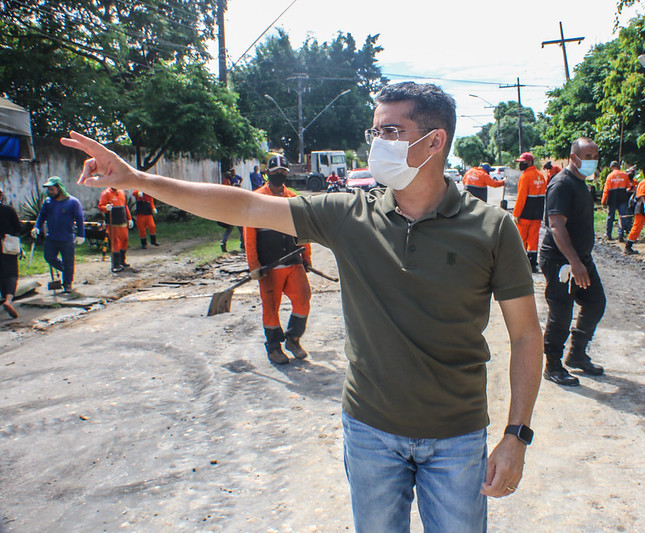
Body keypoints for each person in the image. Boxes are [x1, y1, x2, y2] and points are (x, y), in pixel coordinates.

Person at [61, 81, 543, 533]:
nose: (378, 142)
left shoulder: (491, 228)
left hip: (456, 439)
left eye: (391, 131)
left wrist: (516, 435)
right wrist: (137, 178)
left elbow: (525, 335)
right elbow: (243, 207)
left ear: (435, 142)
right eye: (375, 131)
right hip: (370, 431)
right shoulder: (349, 215)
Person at [539, 137, 607, 387]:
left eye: (595, 156)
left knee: (595, 303)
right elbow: (556, 226)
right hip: (561, 263)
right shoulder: (561, 184)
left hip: (581, 259)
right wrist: (574, 262)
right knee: (561, 313)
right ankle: (552, 365)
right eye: (587, 156)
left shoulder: (583, 185)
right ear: (573, 157)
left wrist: (582, 260)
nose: (593, 161)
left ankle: (577, 354)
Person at [244, 155, 313, 365]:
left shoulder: (293, 198)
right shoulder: (256, 199)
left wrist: (306, 257)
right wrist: (254, 265)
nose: (279, 176)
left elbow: (303, 231)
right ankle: (274, 348)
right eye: (275, 173)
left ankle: (293, 339)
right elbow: (249, 235)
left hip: (293, 262)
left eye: (283, 173)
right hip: (269, 266)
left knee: (303, 299)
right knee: (271, 308)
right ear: (268, 174)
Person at [32, 177, 86, 292]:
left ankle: (67, 284)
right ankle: (66, 270)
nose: (50, 192)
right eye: (49, 190)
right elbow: (42, 216)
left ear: (59, 188)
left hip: (67, 238)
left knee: (68, 261)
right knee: (49, 257)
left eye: (52, 189)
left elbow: (80, 219)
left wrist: (81, 234)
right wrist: (36, 227)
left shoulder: (73, 202)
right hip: (52, 237)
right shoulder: (48, 202)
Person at [512, 152, 547, 272]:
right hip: (537, 215)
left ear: (530, 162)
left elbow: (521, 197)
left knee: (521, 239)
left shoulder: (525, 176)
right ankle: (532, 263)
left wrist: (516, 214)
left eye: (522, 163)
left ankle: (520, 263)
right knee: (533, 240)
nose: (520, 165)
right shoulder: (541, 176)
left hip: (525, 215)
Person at [98, 186, 133, 272]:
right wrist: (106, 208)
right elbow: (100, 206)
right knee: (115, 242)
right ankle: (115, 264)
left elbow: (125, 206)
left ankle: (122, 260)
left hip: (123, 221)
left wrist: (129, 219)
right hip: (113, 223)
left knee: (125, 240)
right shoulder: (106, 193)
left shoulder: (121, 192)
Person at [0, 185, 22, 318]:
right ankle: (8, 301)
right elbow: (18, 227)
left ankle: (4, 299)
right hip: (7, 245)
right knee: (12, 274)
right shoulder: (8, 210)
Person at [601, 161, 633, 241]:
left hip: (612, 199)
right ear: (618, 166)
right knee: (622, 217)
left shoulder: (610, 176)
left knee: (610, 217)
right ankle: (620, 235)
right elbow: (629, 188)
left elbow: (606, 190)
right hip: (622, 199)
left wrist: (603, 201)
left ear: (612, 167)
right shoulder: (625, 175)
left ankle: (608, 234)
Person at [220, 169, 244, 252]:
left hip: (230, 215)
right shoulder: (238, 197)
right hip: (236, 215)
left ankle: (223, 242)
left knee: (230, 229)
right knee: (241, 229)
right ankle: (243, 244)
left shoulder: (229, 196)